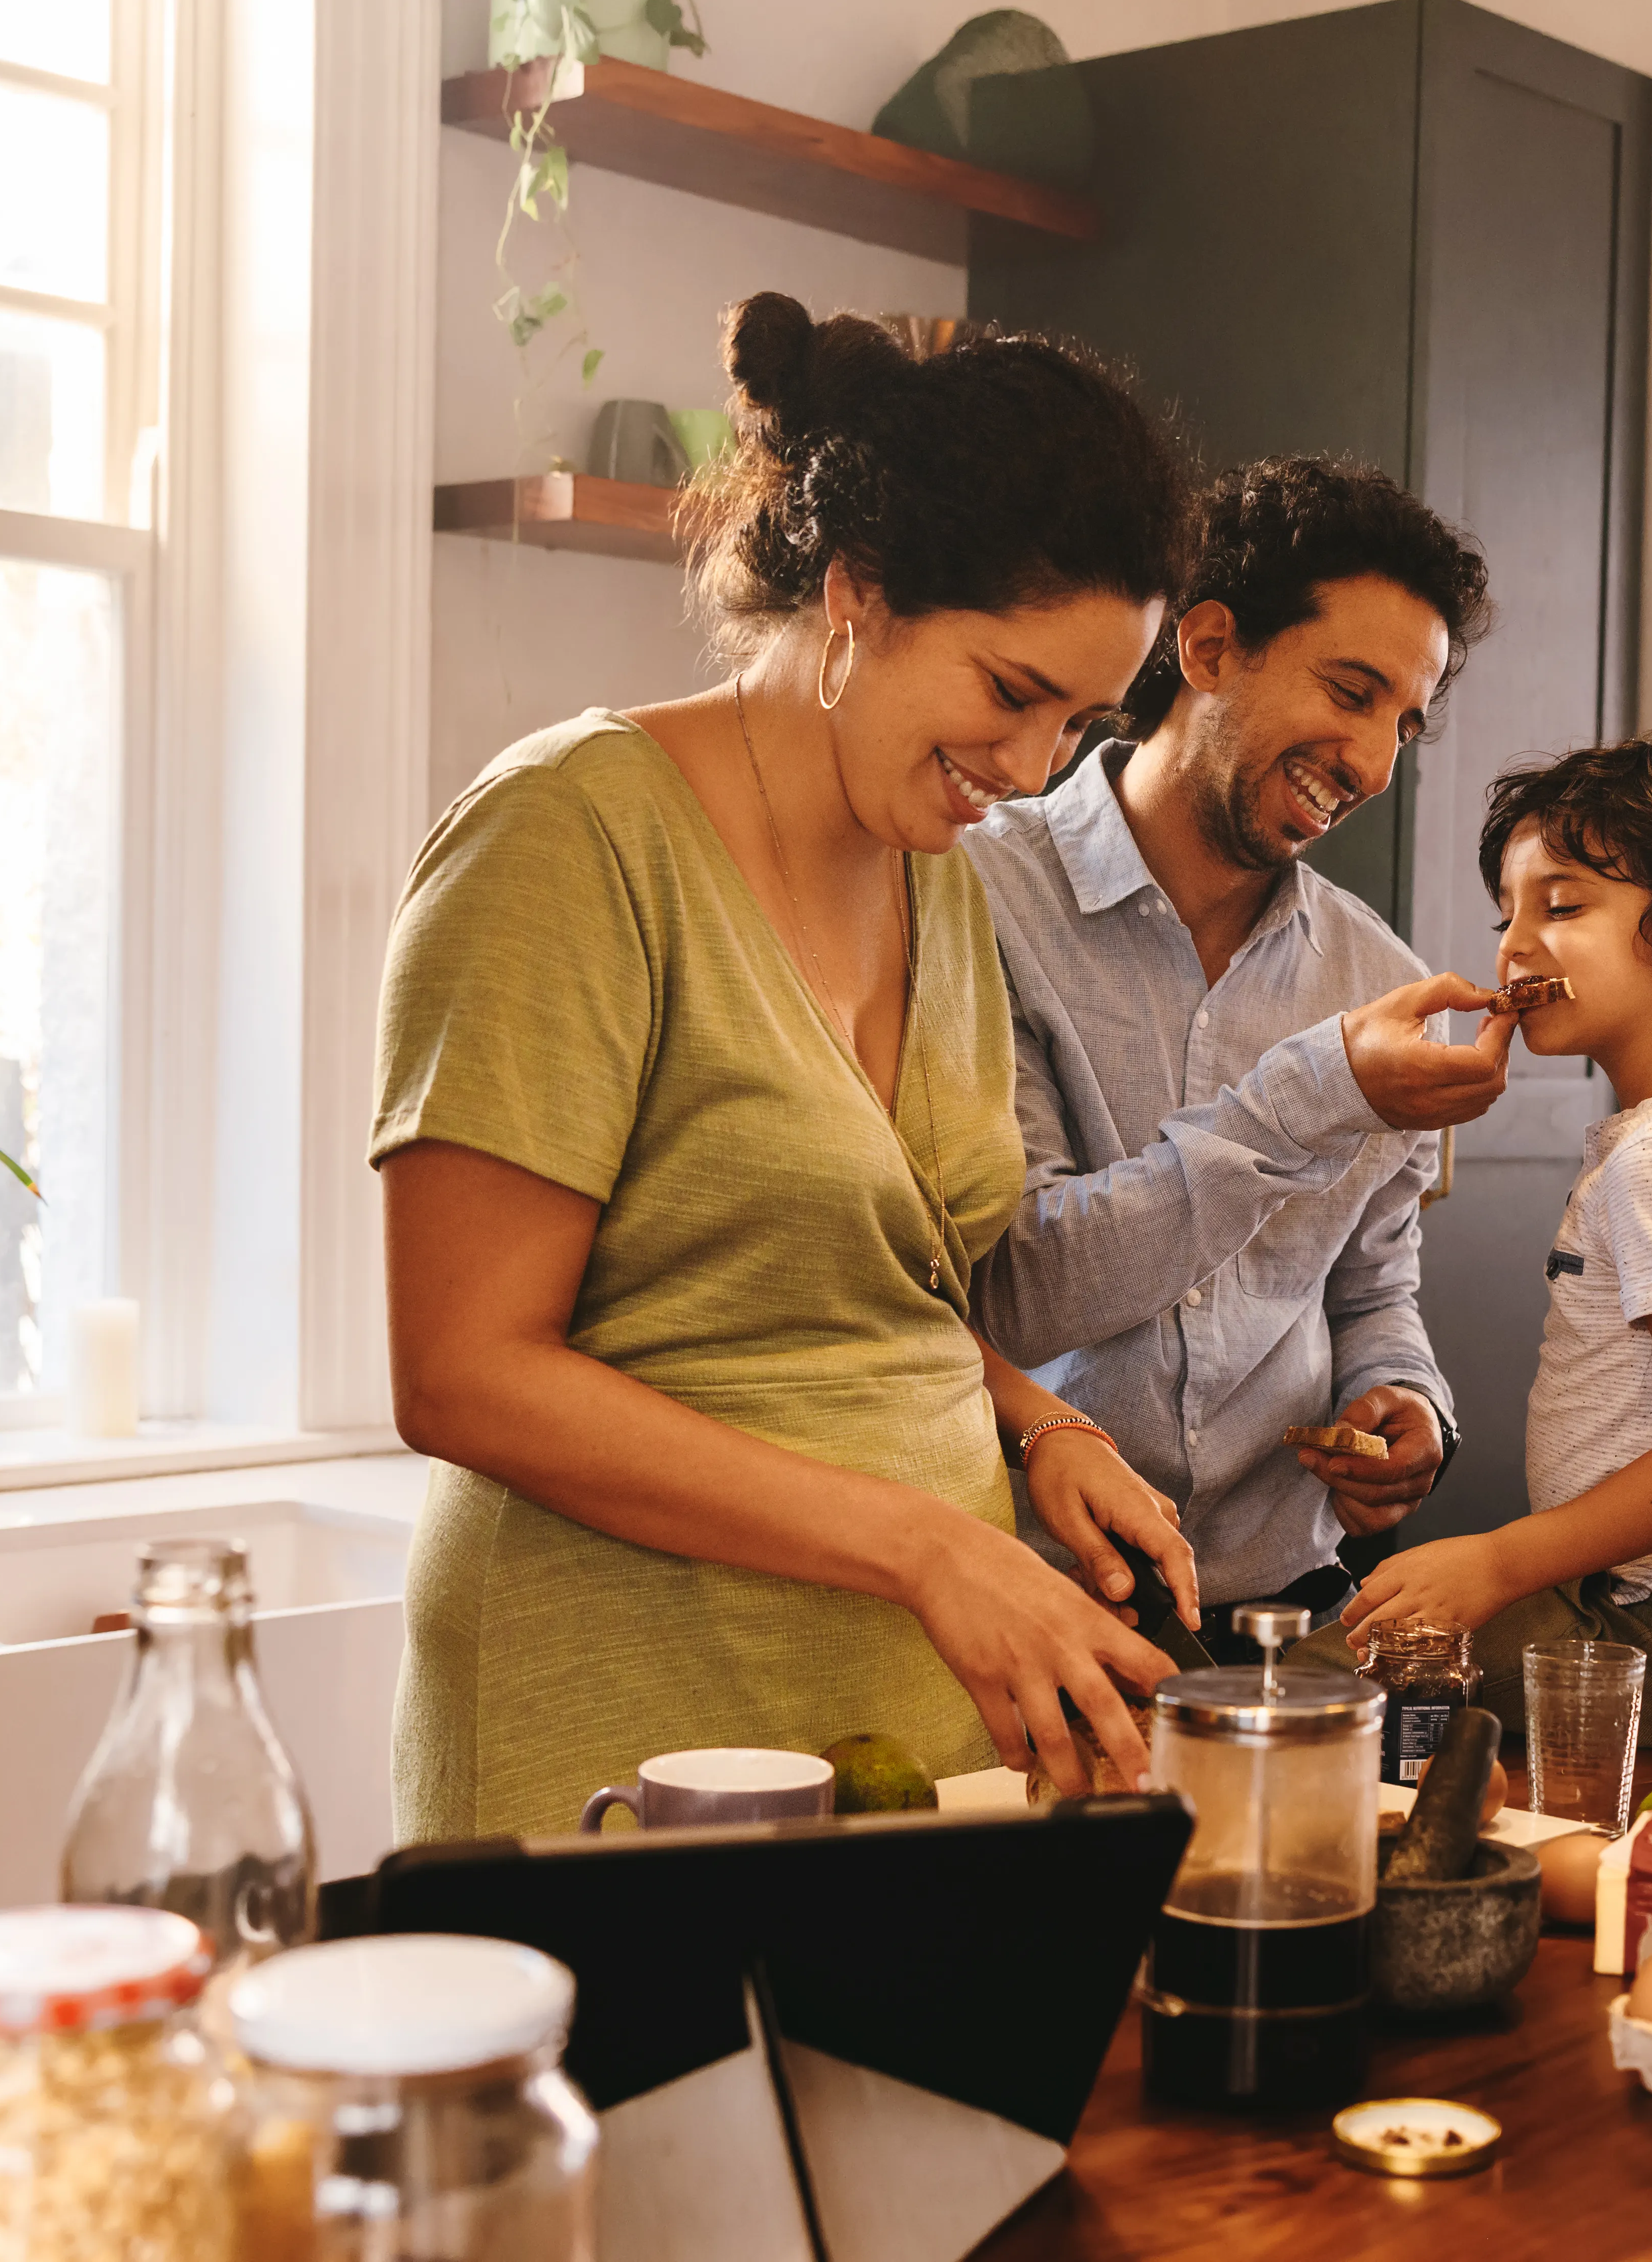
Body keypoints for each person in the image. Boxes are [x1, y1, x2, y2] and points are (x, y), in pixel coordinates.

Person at [370, 296, 1202, 1840]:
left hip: (907, 1740)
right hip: (619, 1731)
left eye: (1081, 723)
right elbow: (461, 1371)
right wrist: (929, 1548)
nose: (1032, 772)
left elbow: (842, 1288)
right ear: (856, 590)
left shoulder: (937, 873)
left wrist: (1036, 1421)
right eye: (1011, 692)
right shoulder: (567, 835)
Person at [968, 457, 1505, 1658]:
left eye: (1403, 725)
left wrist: (1409, 1407)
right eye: (1351, 691)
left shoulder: (1375, 979)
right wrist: (1314, 1095)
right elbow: (1016, 1289)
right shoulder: (972, 897)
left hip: (1282, 1613)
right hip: (1026, 1610)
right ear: (1208, 647)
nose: (1371, 763)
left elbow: (1372, 1291)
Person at [1342, 730, 1652, 1747]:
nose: (1513, 947)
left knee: (1332, 1694)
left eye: (1564, 906)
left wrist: (1496, 1563)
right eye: (1508, 914)